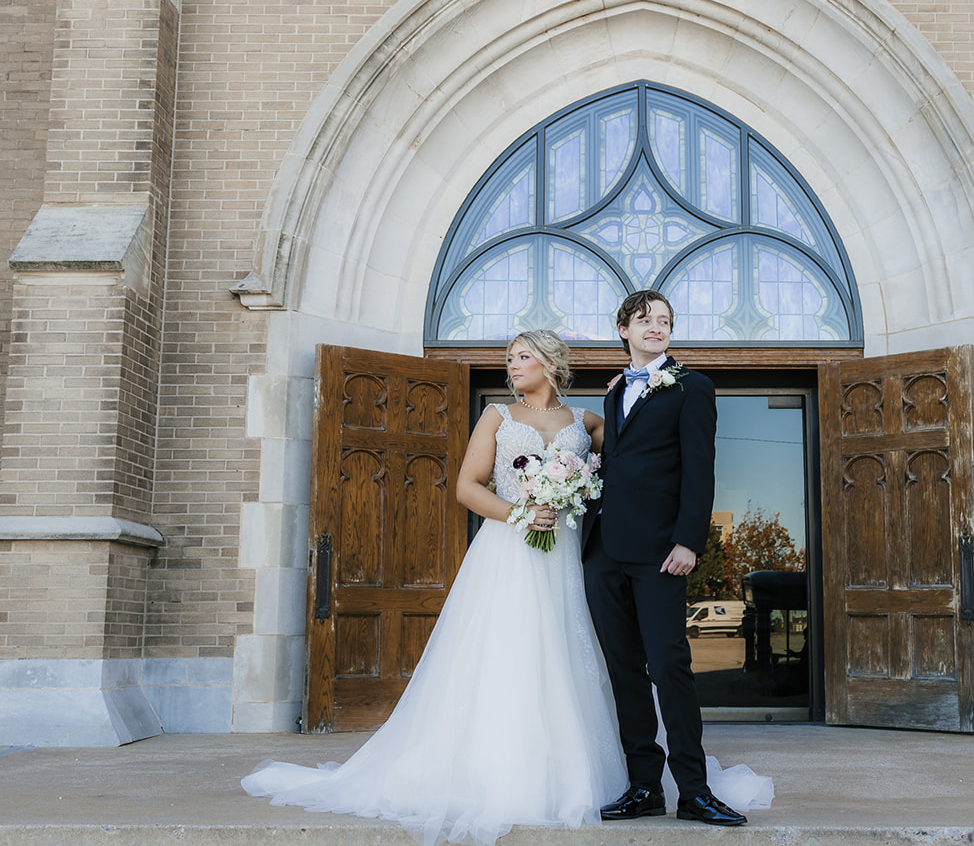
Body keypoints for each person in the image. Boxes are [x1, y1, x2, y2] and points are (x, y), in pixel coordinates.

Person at [241, 330, 627, 844]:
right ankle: (497, 772)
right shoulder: (497, 416)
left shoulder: (588, 422)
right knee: (505, 652)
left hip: (562, 554)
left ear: (551, 363)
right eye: (508, 358)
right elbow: (467, 486)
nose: (512, 366)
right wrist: (521, 512)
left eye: (523, 357)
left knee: (560, 647)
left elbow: (621, 464)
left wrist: (622, 400)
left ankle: (572, 770)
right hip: (509, 550)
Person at [583, 290, 755, 827]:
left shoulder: (692, 387)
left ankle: (694, 790)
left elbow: (700, 470)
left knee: (670, 665)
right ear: (623, 330)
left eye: (665, 321)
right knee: (623, 669)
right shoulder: (613, 393)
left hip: (661, 551)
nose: (656, 328)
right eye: (645, 320)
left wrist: (689, 541)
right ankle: (643, 787)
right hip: (603, 549)